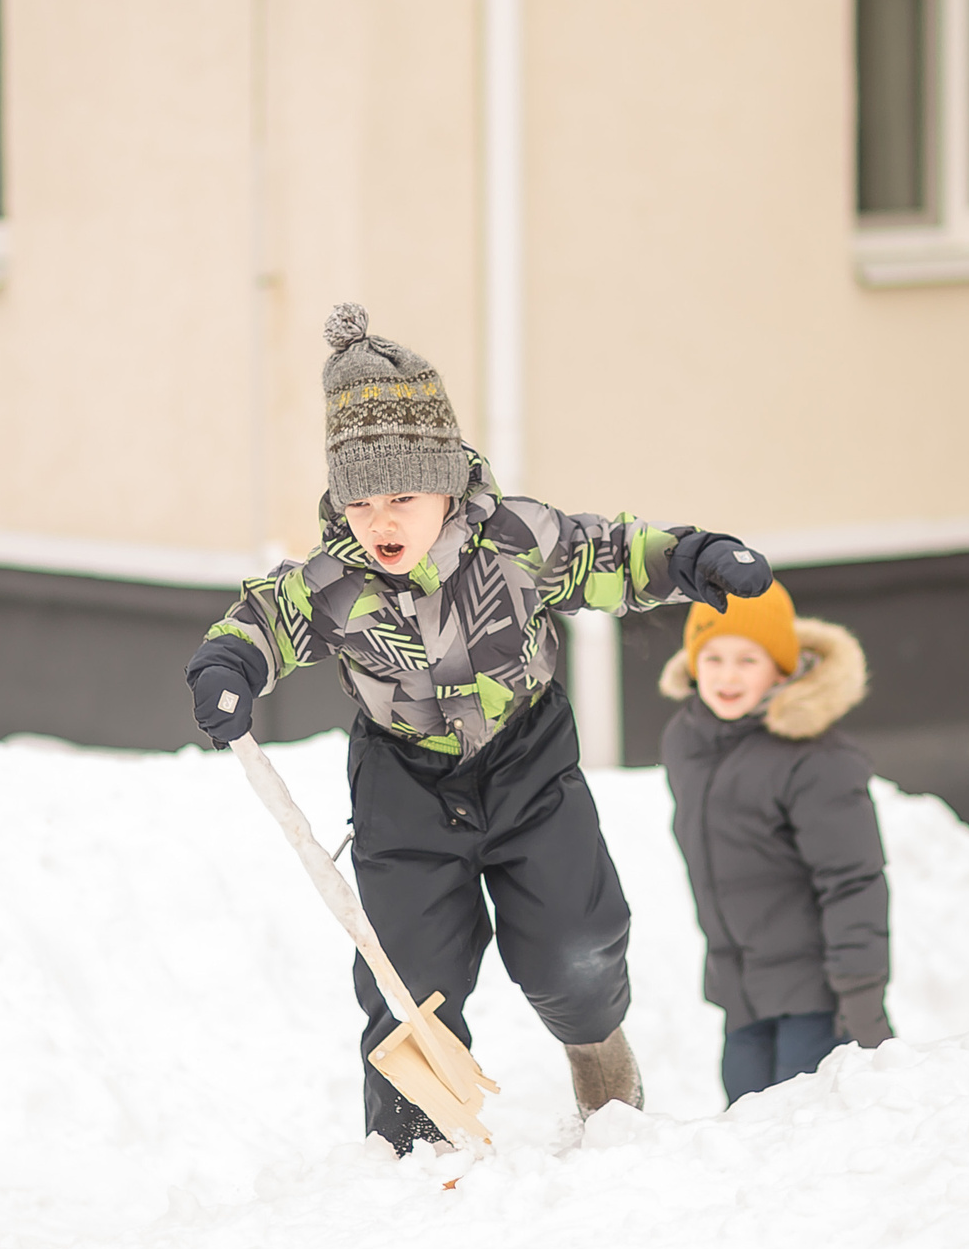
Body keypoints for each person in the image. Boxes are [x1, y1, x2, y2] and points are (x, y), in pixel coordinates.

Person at [185, 303, 775, 1153]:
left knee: (573, 947)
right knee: (407, 978)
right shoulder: (331, 580)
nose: (381, 521)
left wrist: (690, 558)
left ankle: (602, 1065)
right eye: (361, 500)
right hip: (406, 784)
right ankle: (415, 1145)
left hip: (528, 763)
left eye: (403, 495)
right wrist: (226, 666)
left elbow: (608, 553)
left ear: (449, 480)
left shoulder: (516, 540)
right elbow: (264, 619)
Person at [657, 582, 891, 1104]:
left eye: (748, 659)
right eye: (712, 656)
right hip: (740, 990)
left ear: (782, 668)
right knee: (744, 1126)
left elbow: (853, 878)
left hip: (815, 994)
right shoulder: (687, 740)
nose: (727, 675)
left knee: (806, 1130)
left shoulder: (814, 759)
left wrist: (860, 991)